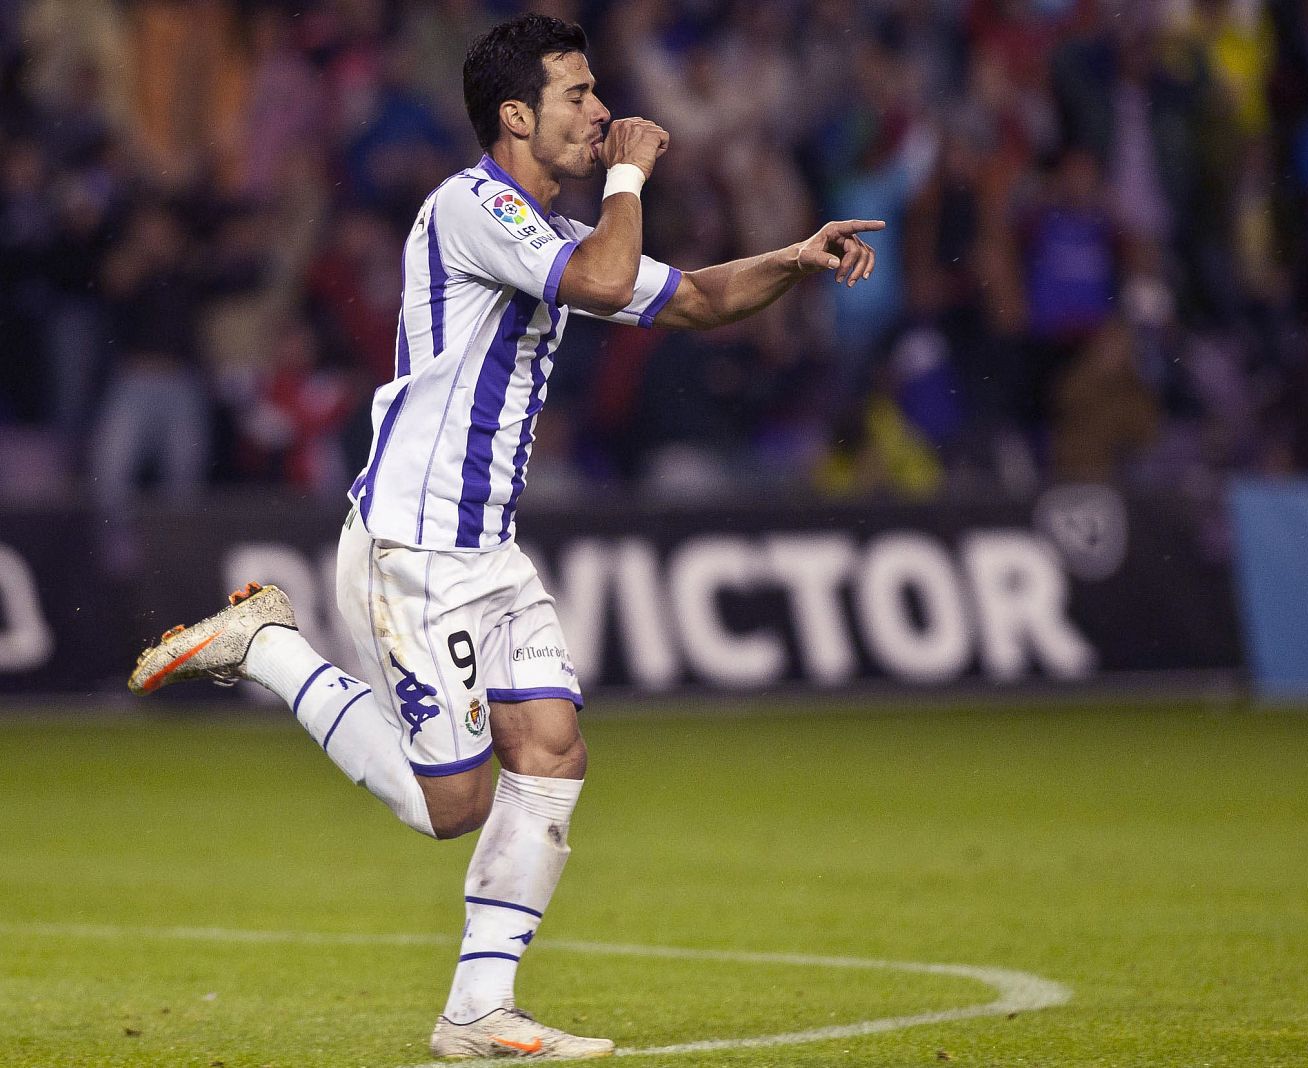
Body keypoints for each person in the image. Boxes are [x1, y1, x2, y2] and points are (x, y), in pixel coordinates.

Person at [126, 13, 881, 1061]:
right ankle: (267, 646)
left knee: (554, 751)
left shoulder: (552, 238)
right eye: (579, 95)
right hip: (416, 549)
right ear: (517, 115)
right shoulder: (471, 207)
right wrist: (630, 180)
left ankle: (478, 1011)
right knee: (451, 808)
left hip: (488, 550)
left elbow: (699, 299)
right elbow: (614, 283)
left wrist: (795, 260)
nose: (603, 113)